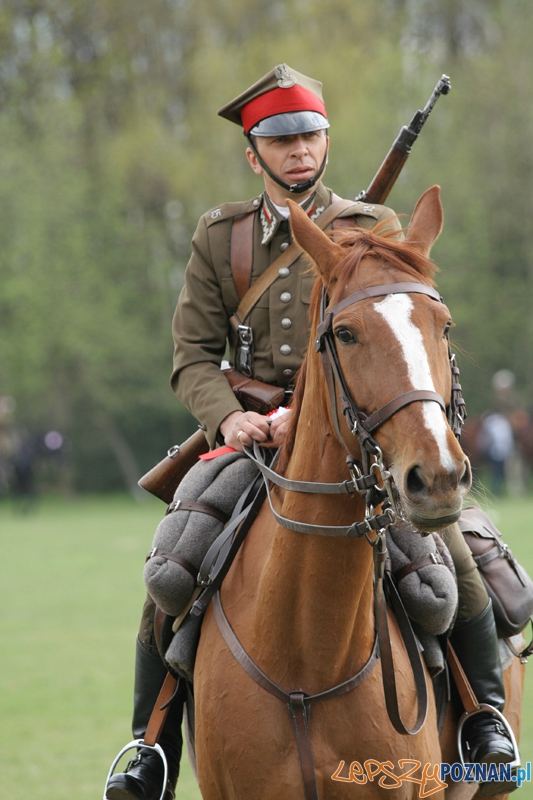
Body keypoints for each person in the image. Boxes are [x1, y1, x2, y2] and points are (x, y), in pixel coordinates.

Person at [106, 64, 516, 800]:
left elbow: (403, 338)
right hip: (256, 437)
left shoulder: (374, 226)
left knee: (452, 553)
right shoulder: (221, 237)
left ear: (326, 140)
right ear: (253, 152)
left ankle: (485, 716)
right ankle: (151, 747)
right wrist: (229, 416)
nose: (298, 150)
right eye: (280, 138)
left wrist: (334, 409)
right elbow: (192, 357)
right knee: (173, 561)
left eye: (310, 136)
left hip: (362, 437)